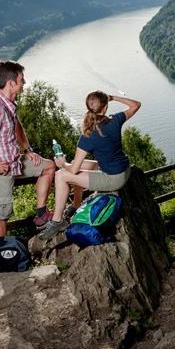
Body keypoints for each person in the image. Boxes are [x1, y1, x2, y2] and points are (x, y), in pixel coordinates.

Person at [0, 60, 56, 240]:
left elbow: (16, 125)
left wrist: (27, 149)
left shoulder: (7, 104)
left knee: (48, 167)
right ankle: (0, 260)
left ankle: (41, 216)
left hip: (14, 162)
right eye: (22, 79)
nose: (24, 82)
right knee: (1, 217)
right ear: (11, 83)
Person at [39, 91, 140, 241]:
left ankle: (57, 221)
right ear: (105, 107)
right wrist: (113, 98)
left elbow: (72, 171)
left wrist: (61, 164)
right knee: (75, 164)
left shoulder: (88, 135)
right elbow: (136, 105)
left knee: (61, 175)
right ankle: (76, 204)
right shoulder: (116, 119)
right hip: (123, 170)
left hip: (113, 179)